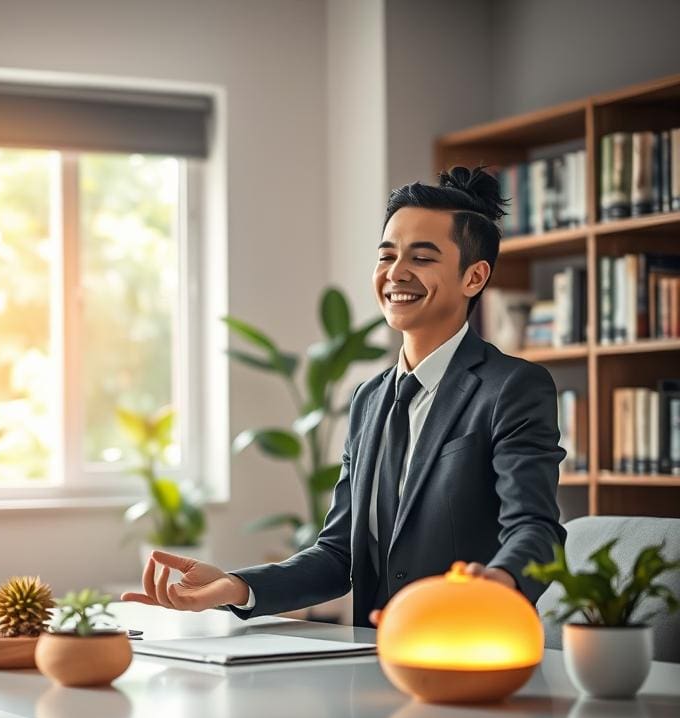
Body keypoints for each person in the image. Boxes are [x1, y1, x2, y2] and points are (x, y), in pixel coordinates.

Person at [122, 166, 566, 628]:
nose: (396, 273)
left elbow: (535, 528)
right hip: (372, 661)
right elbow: (338, 554)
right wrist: (238, 587)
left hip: (470, 646)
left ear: (474, 277)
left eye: (422, 258)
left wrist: (500, 580)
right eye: (387, 256)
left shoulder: (512, 388)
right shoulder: (369, 400)